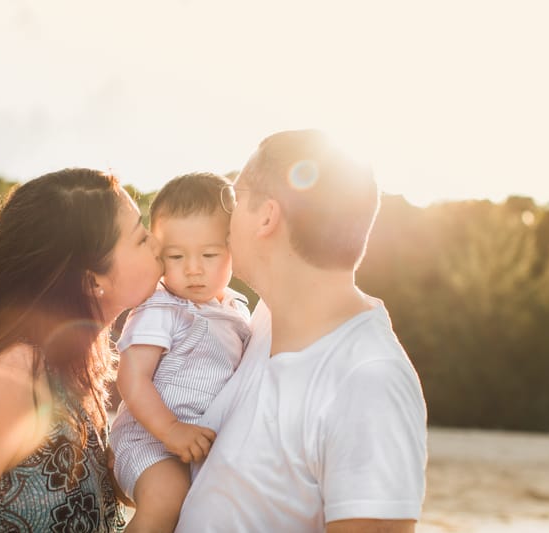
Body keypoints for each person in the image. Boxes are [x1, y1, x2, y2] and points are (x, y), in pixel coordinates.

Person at [176, 130, 428, 532]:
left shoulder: (368, 381)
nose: (225, 217)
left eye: (235, 198)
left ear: (267, 217)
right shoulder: (263, 321)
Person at [0, 168, 163, 532]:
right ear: (92, 280)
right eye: (140, 238)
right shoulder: (9, 381)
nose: (157, 243)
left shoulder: (78, 367)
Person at [110, 173, 251, 532]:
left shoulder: (238, 312)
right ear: (158, 253)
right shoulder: (162, 307)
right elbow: (131, 376)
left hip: (198, 447)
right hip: (149, 438)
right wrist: (171, 430)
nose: (193, 268)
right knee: (167, 498)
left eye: (209, 254)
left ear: (234, 249)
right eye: (175, 256)